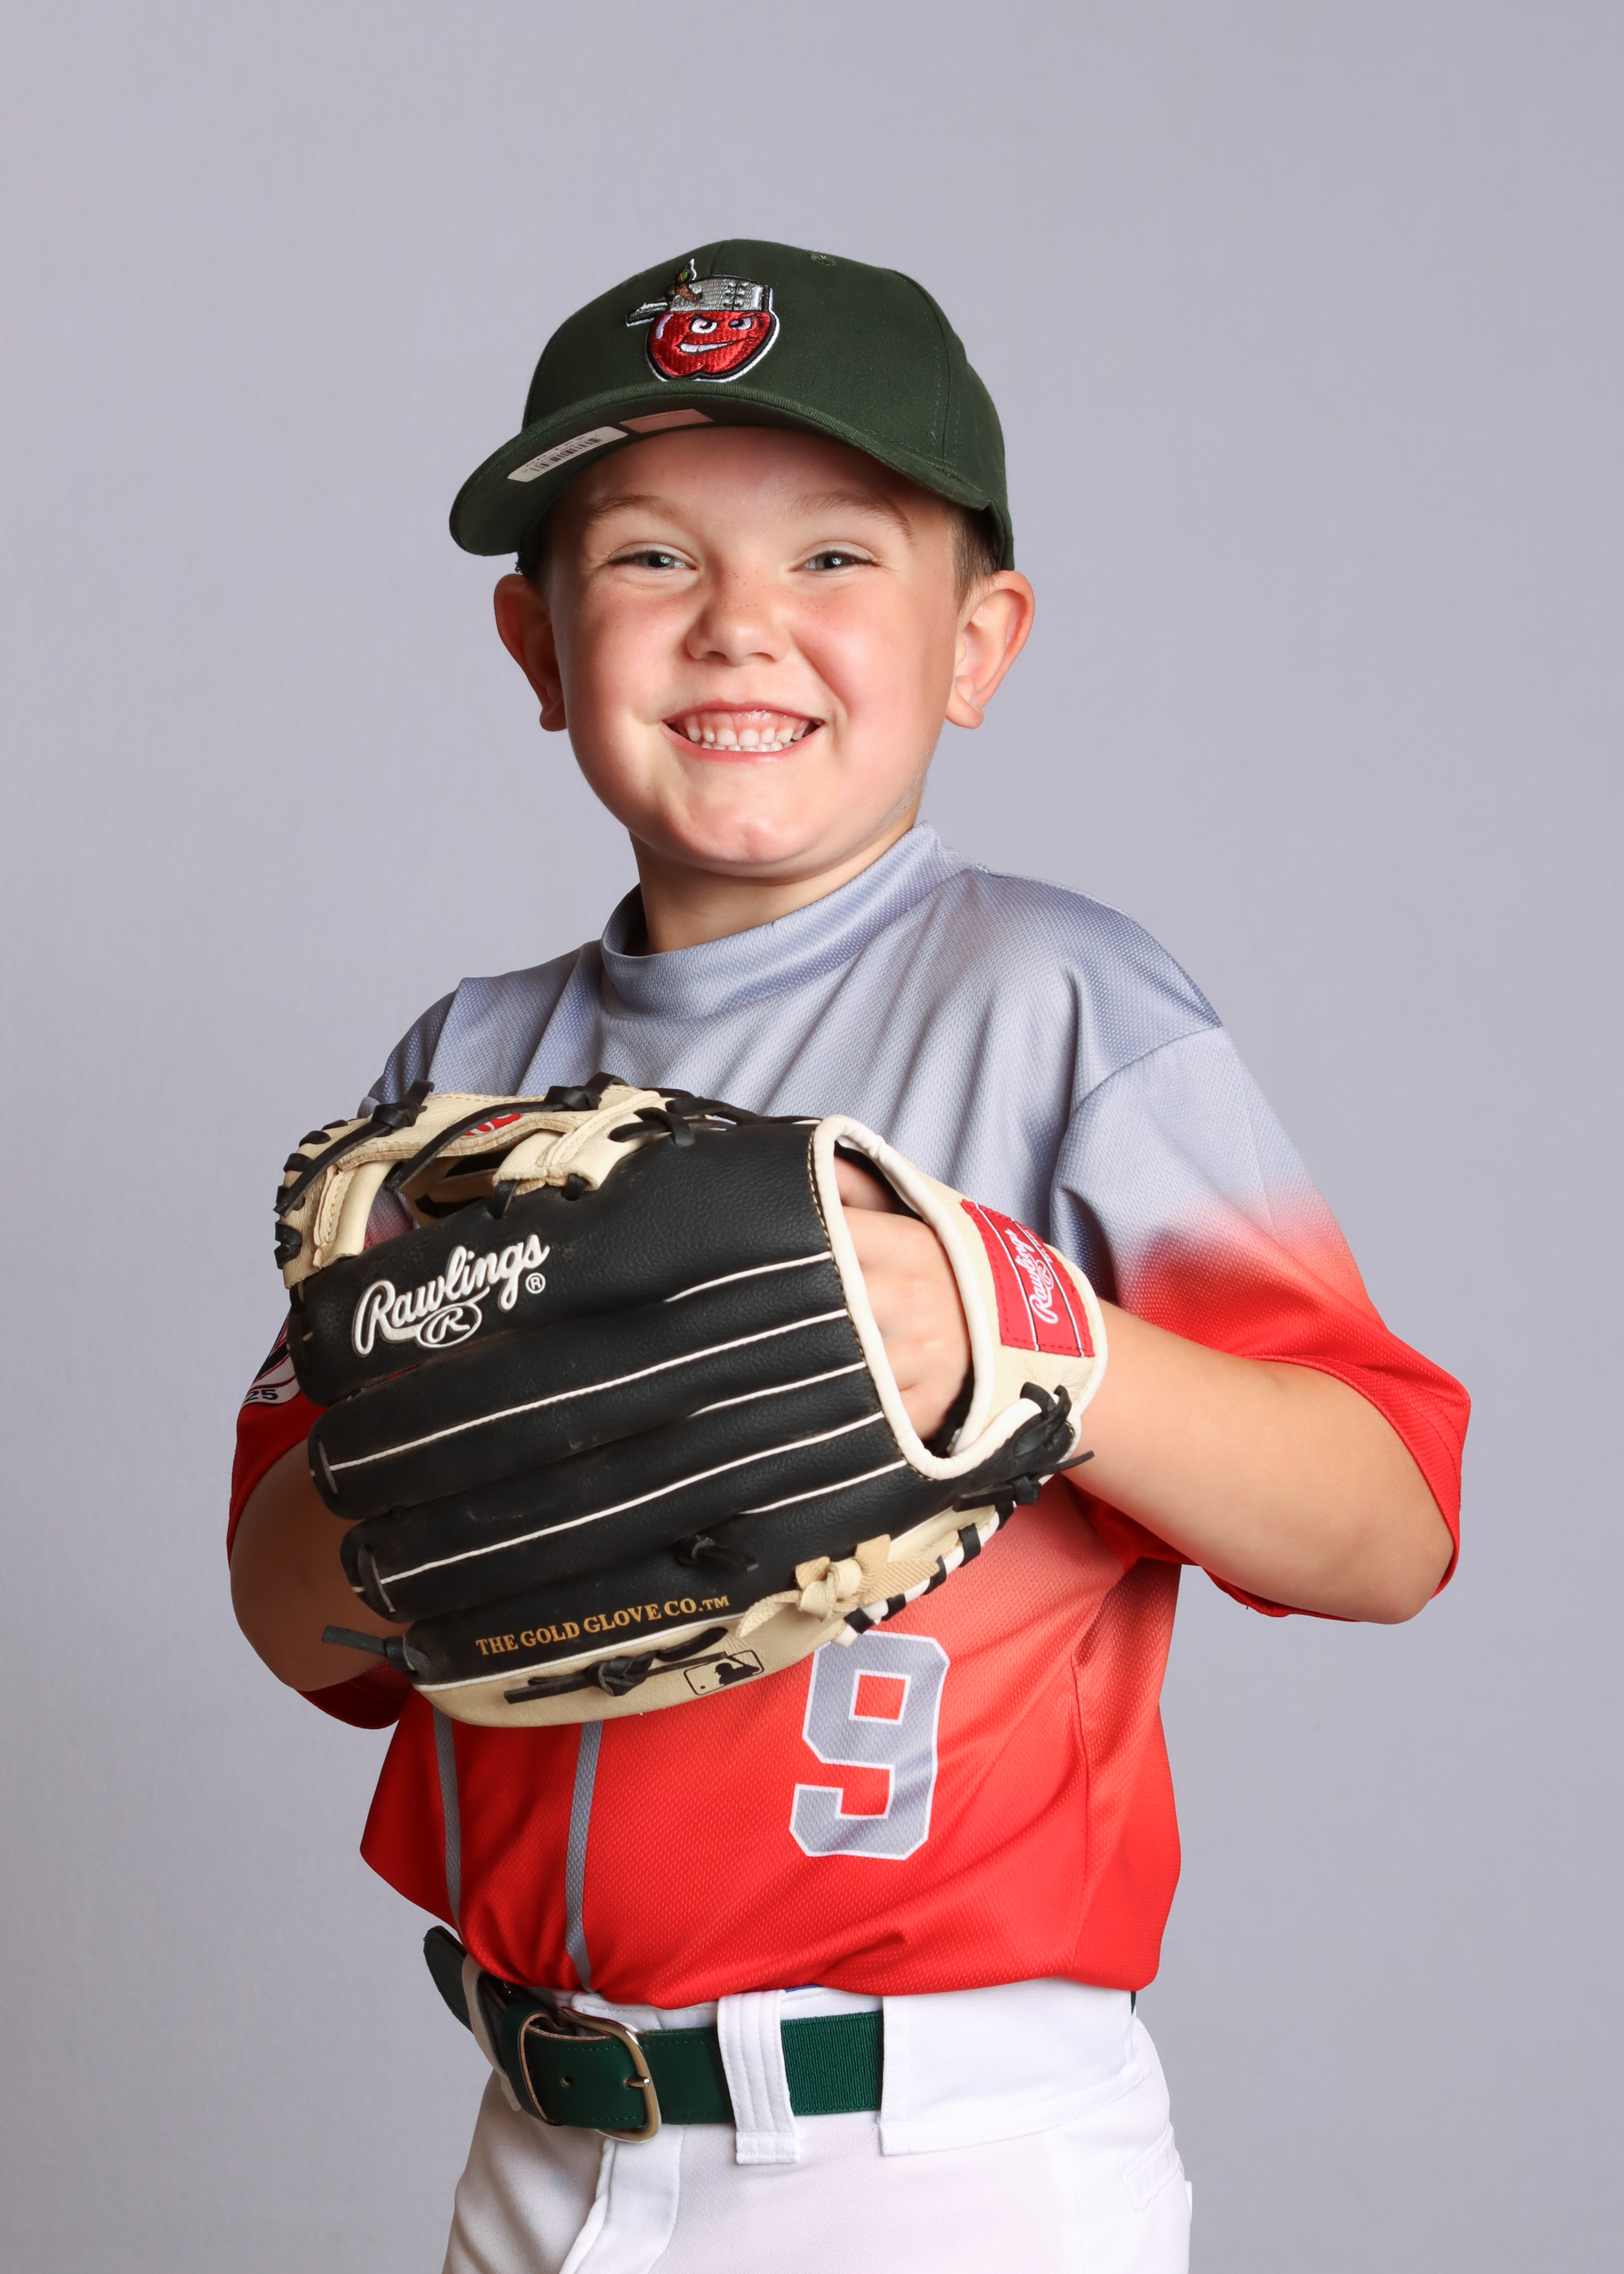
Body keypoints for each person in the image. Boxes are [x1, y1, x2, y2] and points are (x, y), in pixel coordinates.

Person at [229, 240, 1468, 2274]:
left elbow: (1389, 1520)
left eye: (831, 556)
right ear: (536, 644)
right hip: (539, 2143)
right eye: (647, 557)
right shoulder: (460, 1076)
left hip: (931, 2154)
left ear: (977, 641)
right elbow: (289, 1618)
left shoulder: (1062, 1003)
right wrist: (448, 1473)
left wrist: (1023, 1330)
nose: (739, 621)